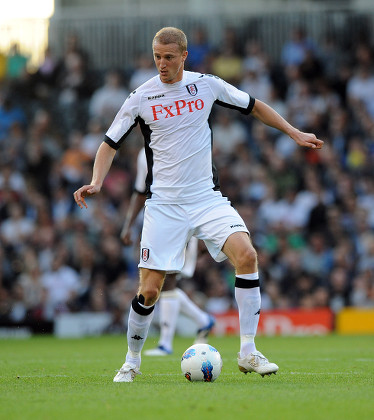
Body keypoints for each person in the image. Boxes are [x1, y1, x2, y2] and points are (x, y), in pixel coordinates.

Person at [74, 27, 324, 383]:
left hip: (207, 198)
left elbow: (255, 106)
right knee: (149, 290)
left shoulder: (207, 85)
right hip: (164, 206)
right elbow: (109, 143)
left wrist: (294, 132)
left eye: (169, 57)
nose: (162, 64)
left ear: (184, 56)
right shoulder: (141, 97)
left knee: (248, 256)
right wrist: (97, 181)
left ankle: (248, 352)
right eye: (157, 56)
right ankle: (131, 361)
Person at [120, 147, 215, 356]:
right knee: (160, 283)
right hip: (160, 223)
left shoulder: (180, 143)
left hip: (183, 220)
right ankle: (202, 320)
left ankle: (166, 343)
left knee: (168, 280)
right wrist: (129, 224)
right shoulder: (143, 154)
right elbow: (141, 190)